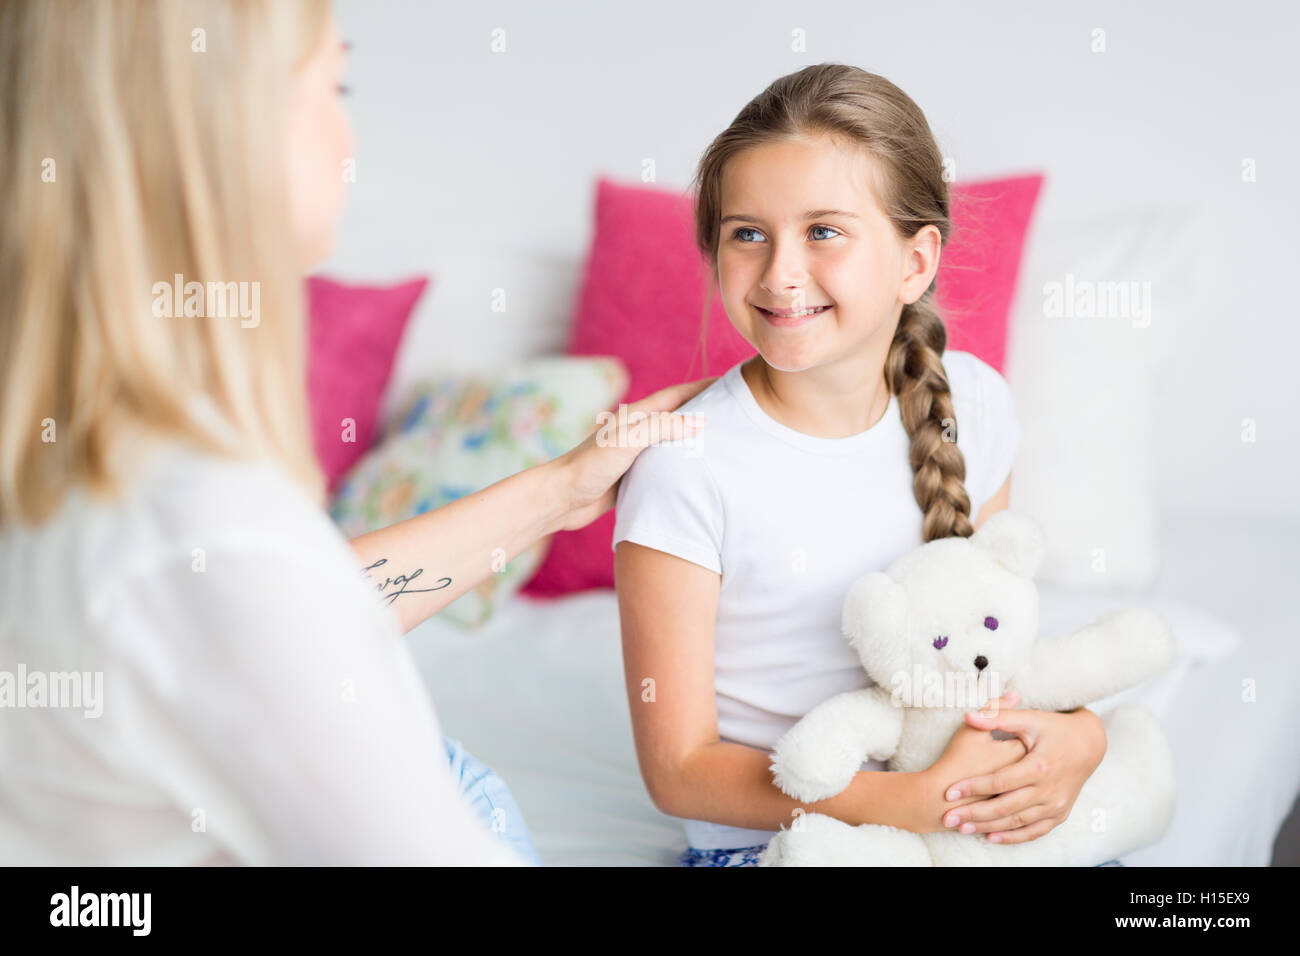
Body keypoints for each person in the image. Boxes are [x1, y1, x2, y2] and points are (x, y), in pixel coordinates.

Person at [0, 0, 711, 865]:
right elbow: (251, 597)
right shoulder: (204, 531)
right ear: (224, 127)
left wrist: (561, 489)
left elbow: (301, 616)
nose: (348, 137)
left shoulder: (88, 470)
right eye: (335, 83)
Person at [613, 64, 1116, 866]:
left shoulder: (975, 404)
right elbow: (679, 772)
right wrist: (908, 802)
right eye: (747, 233)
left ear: (915, 262)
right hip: (777, 847)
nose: (779, 271)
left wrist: (1080, 738)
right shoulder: (685, 466)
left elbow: (999, 646)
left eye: (823, 230)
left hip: (954, 830)